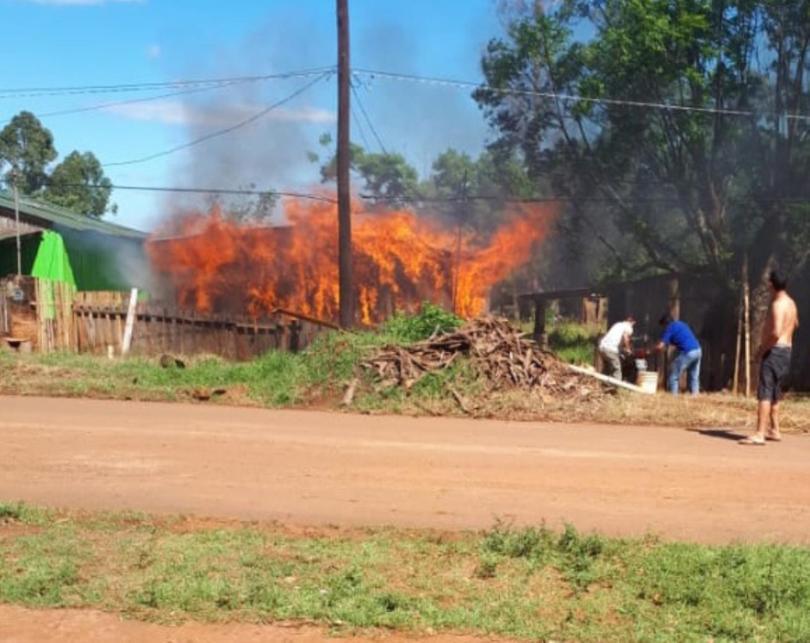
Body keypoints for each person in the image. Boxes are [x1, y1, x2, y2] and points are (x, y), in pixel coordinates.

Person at [740, 270, 799, 446]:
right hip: (786, 350)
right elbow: (795, 323)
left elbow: (775, 332)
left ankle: (760, 433)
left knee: (765, 391)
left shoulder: (777, 304)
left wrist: (761, 349)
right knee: (774, 390)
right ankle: (775, 429)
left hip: (775, 351)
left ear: (771, 284)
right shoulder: (791, 303)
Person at [656, 314, 702, 395]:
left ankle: (674, 397)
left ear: (665, 324)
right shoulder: (681, 324)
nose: (663, 329)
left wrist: (649, 351)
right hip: (698, 350)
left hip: (688, 352)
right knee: (694, 376)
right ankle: (695, 396)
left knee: (674, 375)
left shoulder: (669, 328)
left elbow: (660, 346)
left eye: (663, 326)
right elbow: (679, 338)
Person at [599, 316, 635, 380]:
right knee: (617, 369)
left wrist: (623, 350)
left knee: (607, 368)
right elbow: (626, 338)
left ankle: (603, 384)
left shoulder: (618, 324)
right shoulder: (628, 327)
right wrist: (628, 349)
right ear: (633, 322)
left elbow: (618, 342)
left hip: (602, 347)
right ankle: (616, 387)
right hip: (610, 349)